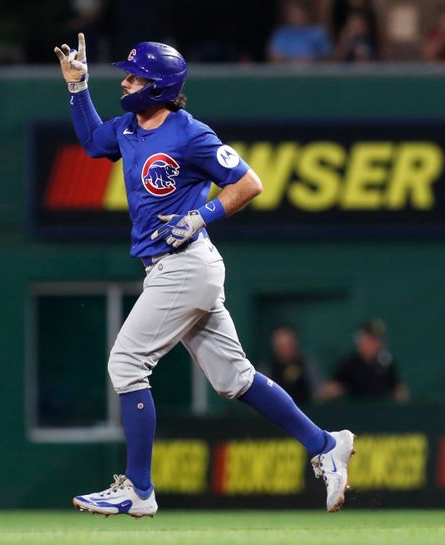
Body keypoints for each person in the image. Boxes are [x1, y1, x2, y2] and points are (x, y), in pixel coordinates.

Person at [53, 34, 355, 517]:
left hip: (186, 264)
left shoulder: (190, 133)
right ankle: (324, 444)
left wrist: (202, 215)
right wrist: (78, 88)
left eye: (134, 76)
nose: (126, 82)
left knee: (127, 364)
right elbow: (92, 142)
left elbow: (249, 183)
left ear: (158, 87)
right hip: (174, 268)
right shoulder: (130, 128)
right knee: (234, 379)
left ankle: (139, 488)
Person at [321, 319, 409, 403]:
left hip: (383, 412)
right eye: (371, 339)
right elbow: (329, 390)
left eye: (378, 340)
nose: (375, 344)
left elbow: (399, 390)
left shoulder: (386, 361)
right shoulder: (349, 364)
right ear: (360, 340)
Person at [264, 325, 321, 404]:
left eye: (288, 345)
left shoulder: (305, 363)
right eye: (281, 346)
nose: (285, 349)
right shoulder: (268, 369)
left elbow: (317, 391)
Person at [268, 0, 333, 63]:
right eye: (293, 13)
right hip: (287, 72)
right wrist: (293, 61)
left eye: (299, 13)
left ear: (306, 13)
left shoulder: (318, 32)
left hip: (315, 72)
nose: (296, 16)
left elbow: (329, 57)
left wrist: (313, 59)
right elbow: (274, 56)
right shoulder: (281, 33)